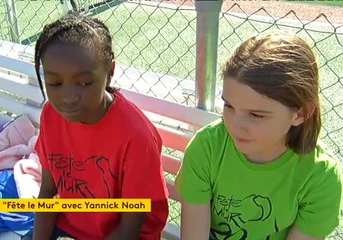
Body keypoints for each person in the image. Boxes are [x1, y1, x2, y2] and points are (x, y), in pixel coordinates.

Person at [175, 31, 342, 240]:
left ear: (301, 113)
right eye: (229, 105)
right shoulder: (206, 147)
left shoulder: (321, 177)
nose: (235, 125)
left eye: (256, 115)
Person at [30, 13, 169, 240]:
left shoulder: (136, 136)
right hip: (70, 228)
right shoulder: (51, 115)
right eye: (54, 83)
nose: (68, 97)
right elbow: (48, 192)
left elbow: (130, 229)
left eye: (84, 83)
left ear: (110, 71)